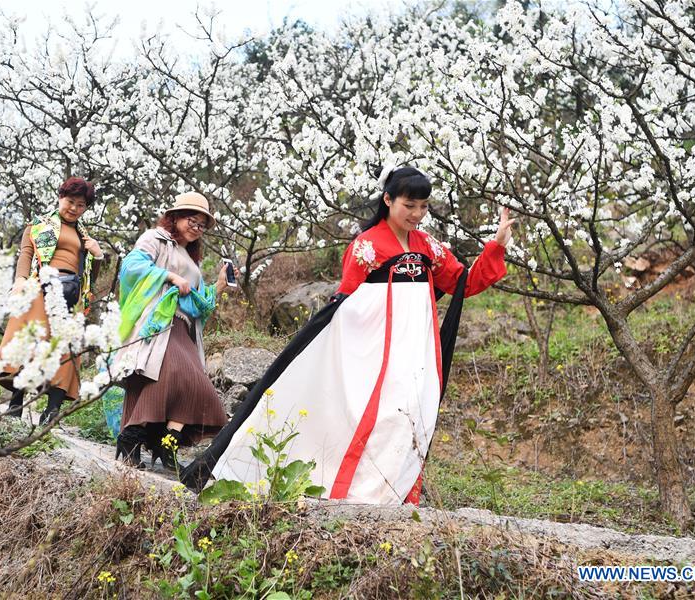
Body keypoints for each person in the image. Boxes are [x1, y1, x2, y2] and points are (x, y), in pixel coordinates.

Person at [181, 165, 515, 505]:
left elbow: (464, 284)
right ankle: (359, 491)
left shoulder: (428, 246)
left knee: (411, 414)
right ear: (388, 200)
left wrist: (496, 245)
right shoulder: (365, 247)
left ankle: (393, 493)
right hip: (372, 354)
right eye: (409, 205)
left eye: (424, 206)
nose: (417, 214)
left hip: (415, 353)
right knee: (377, 415)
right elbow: (346, 302)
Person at [111, 191, 234, 470]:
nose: (196, 228)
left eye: (202, 225)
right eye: (193, 220)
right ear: (175, 216)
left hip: (183, 327)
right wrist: (169, 276)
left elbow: (198, 304)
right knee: (167, 378)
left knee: (195, 386)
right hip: (158, 323)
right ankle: (134, 438)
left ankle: (166, 442)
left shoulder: (191, 259)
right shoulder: (155, 239)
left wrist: (218, 286)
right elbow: (131, 267)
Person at [0, 176, 104, 425]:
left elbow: (90, 277)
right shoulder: (38, 226)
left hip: (71, 295)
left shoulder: (84, 237)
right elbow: (26, 254)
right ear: (60, 198)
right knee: (30, 341)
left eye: (81, 205)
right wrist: (20, 280)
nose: (74, 208)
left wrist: (97, 255)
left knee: (65, 349)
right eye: (71, 202)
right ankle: (16, 402)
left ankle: (52, 410)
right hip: (39, 287)